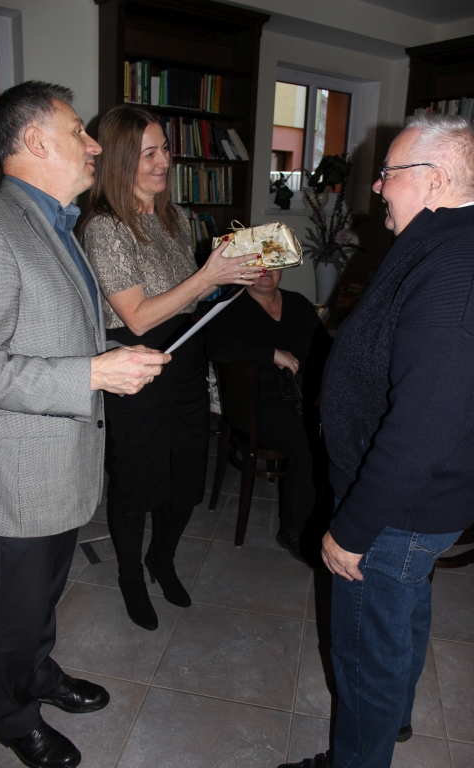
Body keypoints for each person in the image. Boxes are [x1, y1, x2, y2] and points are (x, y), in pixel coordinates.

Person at [0, 81, 171, 768]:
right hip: (16, 474)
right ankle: (13, 716)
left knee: (42, 597)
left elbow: (55, 332)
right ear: (34, 141)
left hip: (57, 462)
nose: (93, 146)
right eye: (78, 131)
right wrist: (91, 374)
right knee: (12, 610)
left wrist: (112, 355)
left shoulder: (57, 224)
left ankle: (39, 672)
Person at [279, 115, 474, 768]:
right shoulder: (442, 243)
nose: (378, 187)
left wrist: (355, 526)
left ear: (436, 179)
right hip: (410, 504)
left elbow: (426, 423)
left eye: (389, 174)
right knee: (402, 618)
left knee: (366, 656)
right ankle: (391, 725)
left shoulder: (454, 267)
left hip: (395, 509)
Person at [81, 104, 264, 632]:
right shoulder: (105, 228)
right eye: (149, 154)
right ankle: (131, 577)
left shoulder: (177, 218)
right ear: (120, 160)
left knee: (185, 483)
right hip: (135, 372)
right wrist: (207, 277)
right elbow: (138, 316)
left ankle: (161, 559)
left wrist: (231, 279)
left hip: (185, 365)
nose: (164, 162)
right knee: (136, 486)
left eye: (165, 149)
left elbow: (189, 302)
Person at [206, 268, 332, 560]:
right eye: (258, 265)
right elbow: (216, 346)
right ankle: (293, 530)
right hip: (256, 404)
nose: (266, 273)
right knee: (307, 448)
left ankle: (324, 517)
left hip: (300, 398)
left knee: (339, 435)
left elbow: (324, 347)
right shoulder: (231, 306)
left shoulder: (297, 302)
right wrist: (272, 353)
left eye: (273, 265)